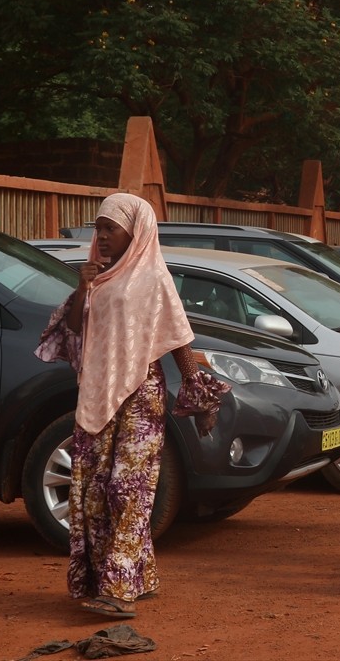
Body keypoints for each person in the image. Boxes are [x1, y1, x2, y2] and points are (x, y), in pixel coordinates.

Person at [34, 193, 230, 619]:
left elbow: (177, 337)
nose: (102, 236)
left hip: (141, 394)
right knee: (95, 490)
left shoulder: (152, 278)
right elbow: (73, 336)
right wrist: (83, 287)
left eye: (111, 228)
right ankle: (138, 576)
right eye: (98, 228)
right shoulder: (95, 278)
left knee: (130, 488)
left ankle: (118, 589)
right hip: (95, 393)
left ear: (135, 230)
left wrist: (197, 392)